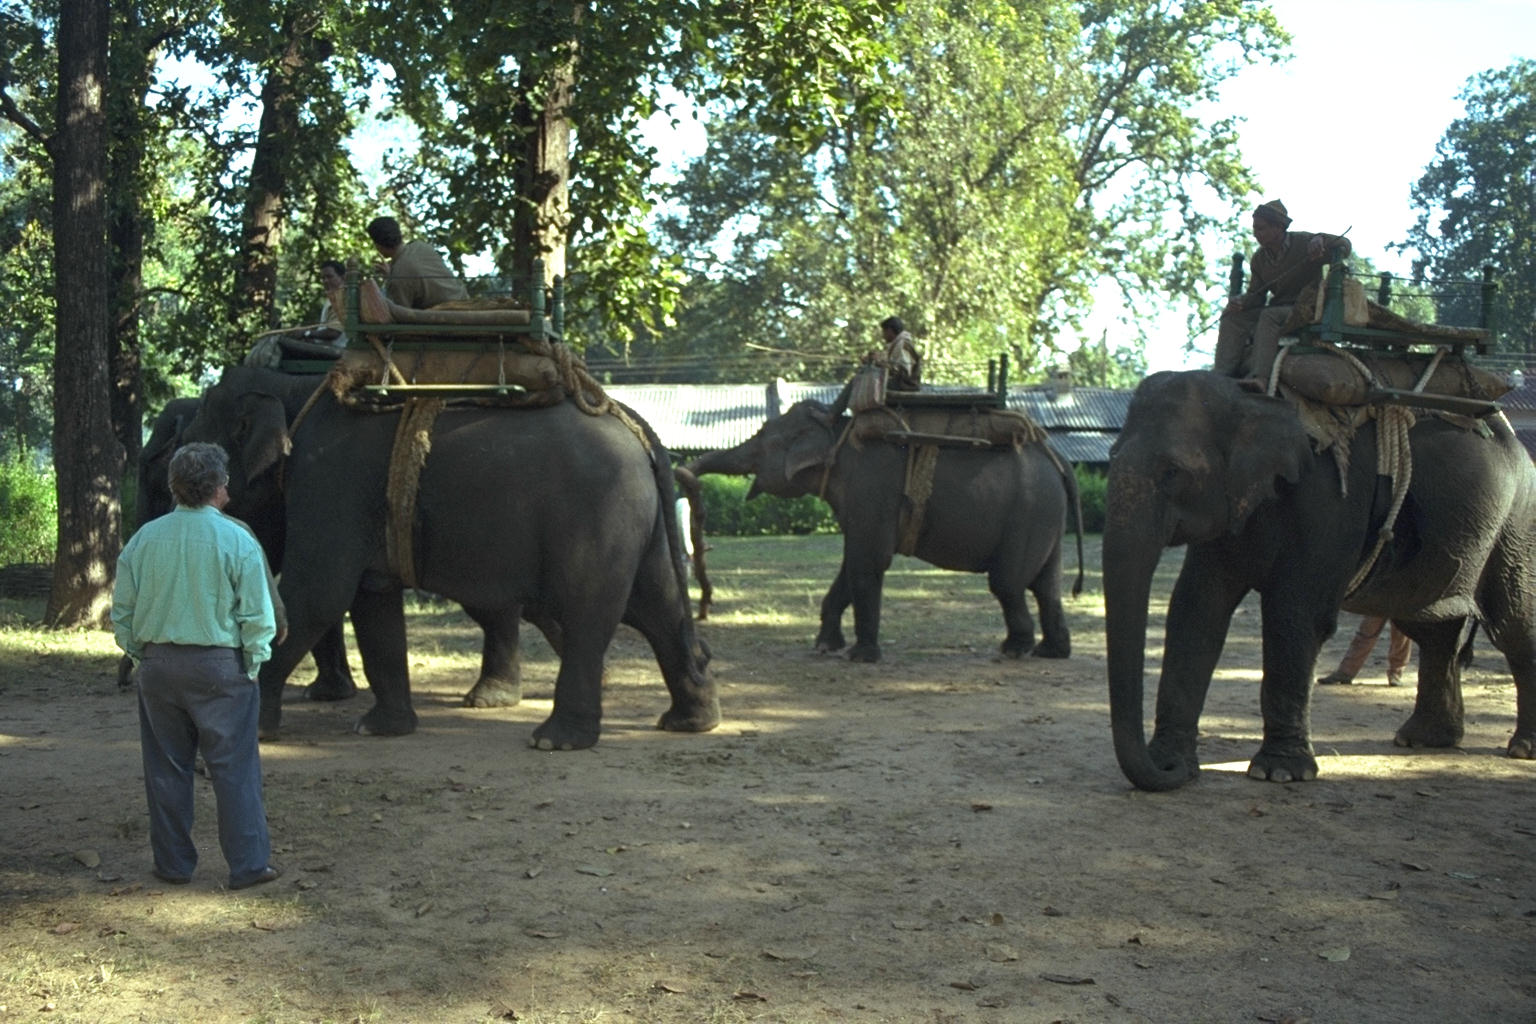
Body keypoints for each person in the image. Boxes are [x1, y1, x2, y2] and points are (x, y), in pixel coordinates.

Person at [111, 442, 284, 891]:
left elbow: (123, 612)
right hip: (221, 668)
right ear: (220, 488)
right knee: (235, 769)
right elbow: (258, 617)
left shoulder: (144, 539)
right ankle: (247, 866)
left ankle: (172, 864)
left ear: (174, 487)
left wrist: (139, 655)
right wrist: (252, 663)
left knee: (166, 769)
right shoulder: (237, 539)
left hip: (158, 667)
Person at [1213, 199, 1352, 381]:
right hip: (1278, 309)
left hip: (1306, 309)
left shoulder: (1304, 242)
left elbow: (1345, 245)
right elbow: (1257, 296)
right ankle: (1221, 374)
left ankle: (1259, 378)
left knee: (1269, 317)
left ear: (1278, 227)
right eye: (1255, 229)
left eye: (1261, 228)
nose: (1256, 234)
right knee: (1232, 317)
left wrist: (1321, 238)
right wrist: (1241, 301)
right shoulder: (1259, 259)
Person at [365, 215, 469, 309]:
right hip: (465, 303)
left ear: (378, 244)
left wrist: (392, 278)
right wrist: (391, 275)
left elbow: (400, 313)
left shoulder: (399, 276)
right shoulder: (421, 246)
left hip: (447, 316)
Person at [1317, 614, 1411, 687]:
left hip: (1403, 595)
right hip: (1380, 595)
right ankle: (1346, 672)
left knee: (1402, 635)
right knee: (1366, 632)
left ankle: (1396, 673)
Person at [874, 315, 922, 392]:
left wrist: (882, 364)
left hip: (906, 385)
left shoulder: (903, 345)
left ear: (889, 330)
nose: (883, 336)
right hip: (899, 383)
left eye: (884, 332)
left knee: (873, 383)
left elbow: (904, 372)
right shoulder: (896, 345)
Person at [314, 259, 349, 347]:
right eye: (323, 278)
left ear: (343, 277)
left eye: (330, 277)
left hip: (336, 350)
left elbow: (334, 333)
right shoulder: (332, 297)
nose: (325, 281)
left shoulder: (343, 297)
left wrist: (306, 333)